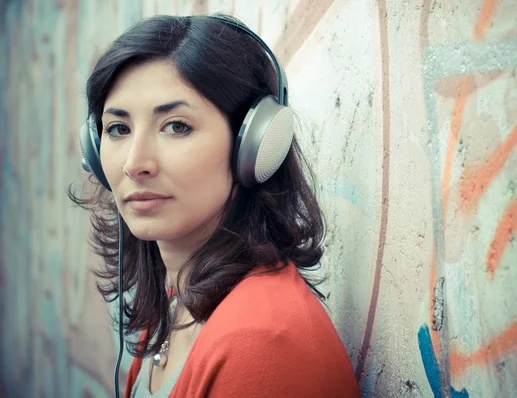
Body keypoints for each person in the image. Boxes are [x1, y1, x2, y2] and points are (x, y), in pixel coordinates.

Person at [69, 13, 360, 398]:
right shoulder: (176, 305)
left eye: (176, 126)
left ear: (254, 146)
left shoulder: (260, 344)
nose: (134, 163)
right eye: (118, 129)